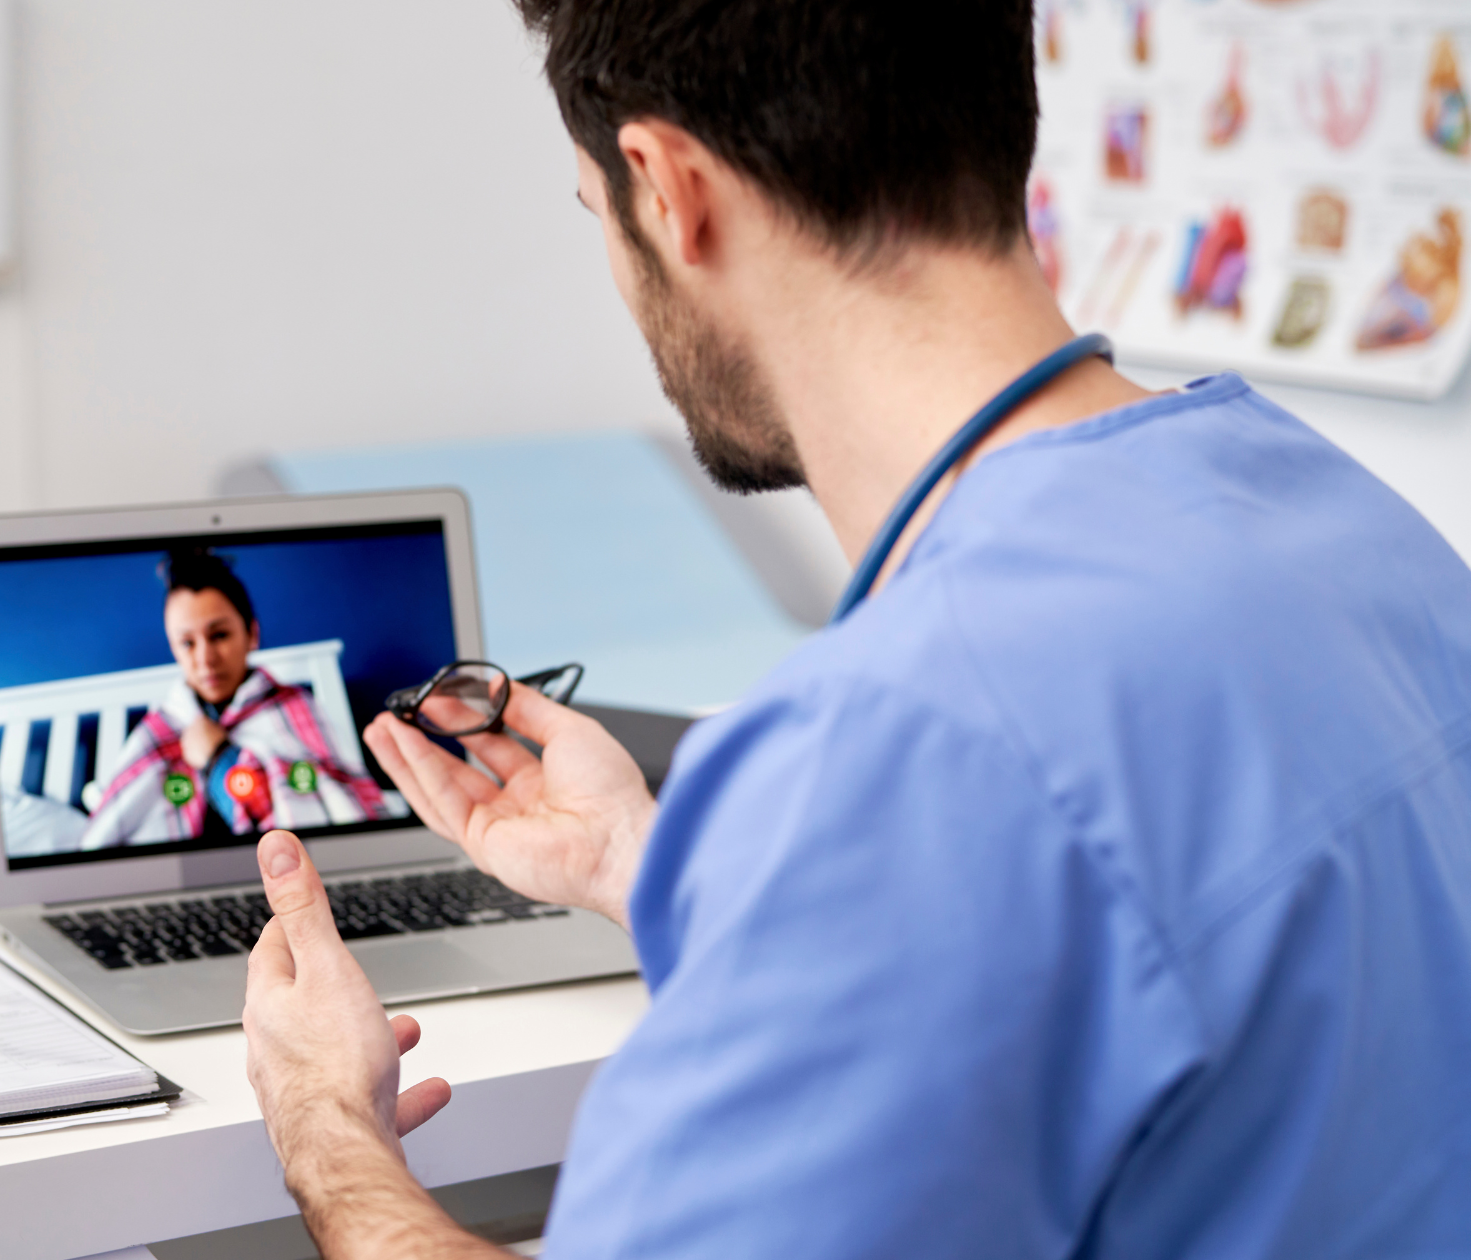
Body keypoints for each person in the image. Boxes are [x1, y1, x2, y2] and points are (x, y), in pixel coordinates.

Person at [237, 2, 1471, 1257]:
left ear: (667, 190)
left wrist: (325, 1123)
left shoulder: (899, 743)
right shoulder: (1352, 524)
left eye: (590, 210)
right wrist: (649, 867)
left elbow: (982, 842)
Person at [80, 549, 393, 848]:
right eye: (187, 643)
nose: (205, 659)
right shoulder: (158, 731)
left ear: (251, 634)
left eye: (219, 635)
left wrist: (218, 758)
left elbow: (339, 813)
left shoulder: (294, 708)